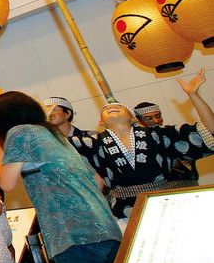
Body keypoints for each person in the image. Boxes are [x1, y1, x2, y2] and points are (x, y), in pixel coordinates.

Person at [0, 91, 123, 263]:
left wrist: (1, 147)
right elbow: (98, 182)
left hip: (75, 237)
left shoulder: (20, 133)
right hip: (104, 229)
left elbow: (6, 183)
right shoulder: (54, 135)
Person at [68, 70, 214, 222]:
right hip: (124, 212)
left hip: (164, 202)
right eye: (105, 110)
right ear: (101, 123)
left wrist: (193, 95)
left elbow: (209, 130)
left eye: (120, 107)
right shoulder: (92, 143)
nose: (111, 107)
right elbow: (51, 144)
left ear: (133, 118)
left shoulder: (158, 135)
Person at [133, 102, 199, 184]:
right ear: (139, 121)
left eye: (158, 116)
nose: (156, 121)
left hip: (187, 183)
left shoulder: (171, 133)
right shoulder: (138, 142)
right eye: (149, 118)